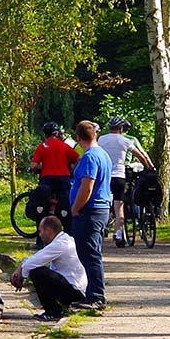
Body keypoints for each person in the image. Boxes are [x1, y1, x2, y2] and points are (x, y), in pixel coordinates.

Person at [66, 120, 113, 309]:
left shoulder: (90, 157)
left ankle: (96, 297)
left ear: (78, 138)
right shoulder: (103, 155)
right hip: (100, 209)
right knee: (91, 252)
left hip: (90, 210)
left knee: (89, 253)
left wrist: (75, 208)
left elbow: (87, 187)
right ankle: (91, 293)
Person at [12, 216, 86, 320]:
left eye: (41, 231)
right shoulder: (63, 239)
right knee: (37, 268)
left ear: (48, 231)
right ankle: (57, 308)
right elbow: (37, 257)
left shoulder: (60, 244)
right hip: (73, 286)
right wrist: (20, 268)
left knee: (36, 272)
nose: (40, 235)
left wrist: (20, 275)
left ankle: (53, 311)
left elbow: (33, 262)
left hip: (75, 292)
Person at [97, 118, 154, 244]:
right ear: (121, 128)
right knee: (119, 206)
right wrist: (149, 167)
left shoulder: (101, 139)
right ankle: (118, 235)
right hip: (119, 175)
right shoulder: (125, 140)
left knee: (104, 202)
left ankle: (102, 227)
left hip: (104, 176)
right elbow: (141, 155)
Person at [28, 122, 78, 206]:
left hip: (47, 179)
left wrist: (42, 167)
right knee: (66, 201)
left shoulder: (42, 147)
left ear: (45, 134)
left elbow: (34, 166)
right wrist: (73, 170)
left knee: (43, 201)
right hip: (64, 178)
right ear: (57, 133)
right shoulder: (64, 146)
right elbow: (78, 159)